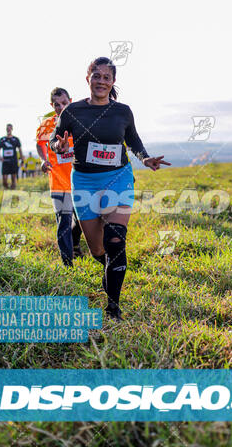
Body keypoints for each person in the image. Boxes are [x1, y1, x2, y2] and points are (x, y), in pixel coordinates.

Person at [49, 57, 170, 321]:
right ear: (88, 79)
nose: (101, 81)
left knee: (115, 239)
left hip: (118, 177)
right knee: (97, 250)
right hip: (84, 181)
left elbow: (133, 140)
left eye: (106, 77)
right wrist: (58, 146)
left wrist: (145, 158)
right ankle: (109, 270)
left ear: (113, 82)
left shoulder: (123, 111)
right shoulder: (72, 111)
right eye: (97, 76)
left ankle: (113, 307)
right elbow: (54, 140)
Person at [37, 87, 83, 267]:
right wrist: (43, 160)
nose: (61, 107)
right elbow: (40, 144)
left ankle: (76, 244)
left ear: (70, 101)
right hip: (58, 181)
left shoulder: (80, 121)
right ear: (52, 105)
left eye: (64, 103)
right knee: (63, 222)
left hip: (80, 180)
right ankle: (67, 265)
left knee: (81, 221)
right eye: (57, 105)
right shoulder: (47, 124)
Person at [0, 124, 24, 189]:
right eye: (7, 128)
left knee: (13, 179)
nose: (8, 130)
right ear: (6, 129)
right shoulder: (2, 139)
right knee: (4, 181)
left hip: (13, 161)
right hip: (5, 162)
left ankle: (12, 193)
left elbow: (20, 150)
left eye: (9, 128)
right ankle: (7, 189)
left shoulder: (16, 139)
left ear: (12, 129)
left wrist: (22, 159)